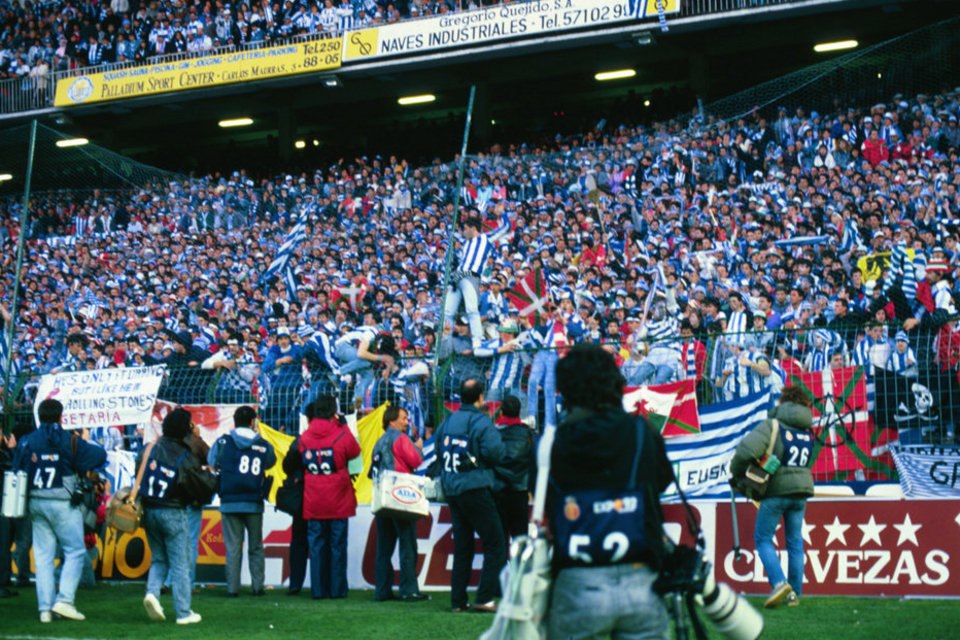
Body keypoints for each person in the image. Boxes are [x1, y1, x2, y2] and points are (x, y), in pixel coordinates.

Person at [546, 343, 675, 639]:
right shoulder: (642, 432)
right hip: (640, 574)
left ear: (566, 389)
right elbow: (662, 482)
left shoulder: (551, 443)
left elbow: (546, 501)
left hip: (576, 578)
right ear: (615, 382)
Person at [13, 399, 106, 623]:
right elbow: (99, 456)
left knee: (43, 556)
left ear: (39, 416)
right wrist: (82, 442)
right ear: (61, 416)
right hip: (63, 503)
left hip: (36, 502)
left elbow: (17, 468)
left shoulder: (27, 440)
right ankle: (65, 601)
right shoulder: (68, 439)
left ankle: (45, 609)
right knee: (75, 551)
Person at [731, 384, 814, 609]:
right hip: (801, 492)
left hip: (776, 491)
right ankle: (794, 593)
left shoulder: (773, 425)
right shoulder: (807, 431)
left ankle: (779, 583)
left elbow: (746, 452)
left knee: (763, 538)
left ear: (783, 403)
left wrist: (736, 472)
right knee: (795, 541)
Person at [436, 378, 506, 613]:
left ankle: (458, 601)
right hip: (475, 487)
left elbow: (438, 450)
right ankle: (484, 597)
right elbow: (496, 453)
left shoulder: (448, 420)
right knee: (495, 543)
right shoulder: (481, 422)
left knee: (463, 546)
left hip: (452, 489)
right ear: (480, 397)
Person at [289, 395, 361, 599]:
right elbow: (355, 451)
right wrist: (344, 425)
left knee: (316, 545)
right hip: (338, 496)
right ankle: (337, 589)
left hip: (313, 496)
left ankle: (318, 590)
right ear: (333, 411)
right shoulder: (340, 433)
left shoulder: (305, 437)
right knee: (337, 545)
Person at [139, 408, 203, 625]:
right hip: (173, 511)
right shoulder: (184, 455)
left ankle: (152, 593)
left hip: (149, 510)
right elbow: (192, 483)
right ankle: (183, 612)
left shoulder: (149, 448)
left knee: (159, 558)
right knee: (180, 563)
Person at [208, 406, 276, 597]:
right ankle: (257, 587)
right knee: (256, 546)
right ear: (253, 422)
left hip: (229, 502)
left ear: (235, 421)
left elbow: (211, 460)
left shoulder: (223, 442)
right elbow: (270, 461)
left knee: (233, 548)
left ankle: (232, 589)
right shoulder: (262, 444)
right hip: (253, 502)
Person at [370, 406, 428, 603]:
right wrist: (418, 447)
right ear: (392, 421)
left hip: (382, 497)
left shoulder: (378, 442)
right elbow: (416, 460)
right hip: (400, 496)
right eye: (403, 418)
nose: (406, 421)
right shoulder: (401, 439)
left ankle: (382, 590)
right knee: (408, 544)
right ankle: (409, 590)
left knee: (384, 548)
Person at [444, 217, 494, 350]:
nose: (464, 232)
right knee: (448, 310)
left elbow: (506, 228)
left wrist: (501, 213)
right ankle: (446, 339)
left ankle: (477, 340)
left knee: (472, 309)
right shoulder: (466, 245)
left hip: (470, 275)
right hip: (457, 276)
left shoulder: (486, 238)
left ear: (473, 228)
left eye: (465, 229)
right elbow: (461, 262)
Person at [491, 395, 534, 541]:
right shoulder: (527, 434)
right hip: (519, 491)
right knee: (520, 538)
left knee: (499, 539)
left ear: (502, 412)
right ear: (519, 412)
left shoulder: (492, 433)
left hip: (498, 491)